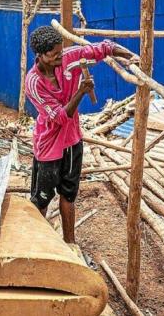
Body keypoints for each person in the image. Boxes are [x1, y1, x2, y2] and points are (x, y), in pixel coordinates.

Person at [25, 26, 139, 244]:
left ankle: (70, 244)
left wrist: (130, 56)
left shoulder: (69, 58)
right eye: (53, 55)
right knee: (42, 198)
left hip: (72, 140)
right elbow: (59, 117)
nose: (59, 57)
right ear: (40, 55)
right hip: (49, 146)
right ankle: (37, 245)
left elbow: (103, 48)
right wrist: (82, 91)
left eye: (60, 51)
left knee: (68, 195)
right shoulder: (34, 83)